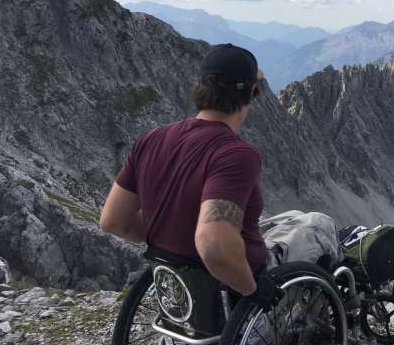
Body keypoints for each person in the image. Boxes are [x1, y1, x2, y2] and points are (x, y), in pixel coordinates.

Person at [99, 43, 280, 307]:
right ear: (250, 94)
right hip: (231, 294)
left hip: (180, 291)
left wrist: (173, 236)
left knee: (291, 219)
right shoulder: (236, 154)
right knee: (315, 228)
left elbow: (113, 221)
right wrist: (253, 291)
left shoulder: (151, 139)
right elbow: (213, 242)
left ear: (201, 88)